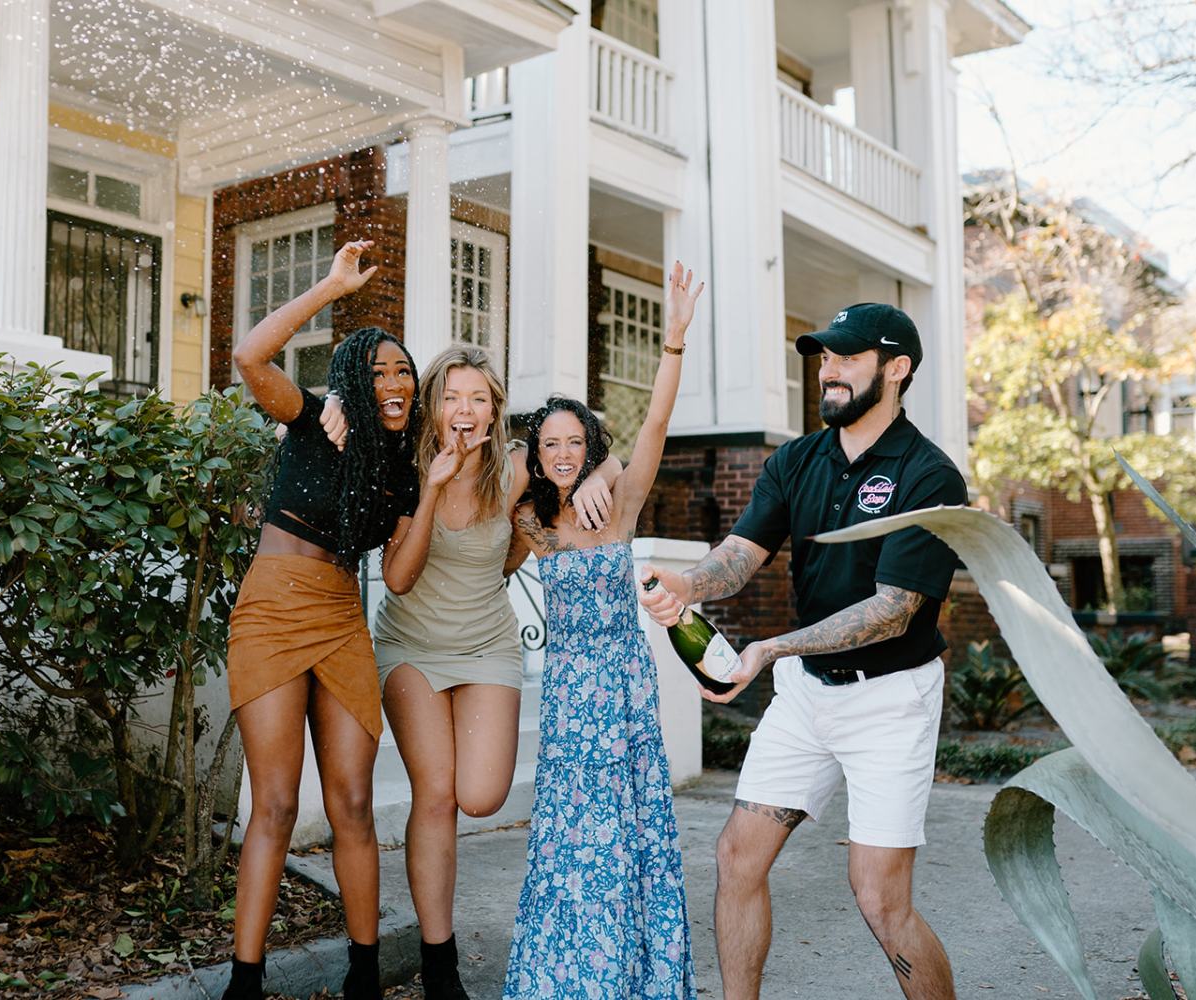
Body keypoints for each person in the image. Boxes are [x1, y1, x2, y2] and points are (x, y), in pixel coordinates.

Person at [638, 303, 968, 1000]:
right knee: (736, 857)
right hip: (806, 695)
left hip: (891, 699)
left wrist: (769, 649)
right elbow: (741, 554)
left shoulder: (929, 477)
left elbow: (892, 610)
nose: (829, 369)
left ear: (896, 368)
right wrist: (689, 582)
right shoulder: (795, 460)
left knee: (880, 898)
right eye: (825, 357)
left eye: (847, 357)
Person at [223, 240, 477, 1000]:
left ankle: (363, 971)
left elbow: (397, 579)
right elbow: (247, 355)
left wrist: (432, 491)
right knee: (274, 802)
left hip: (340, 616)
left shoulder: (402, 471)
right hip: (271, 607)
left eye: (404, 371)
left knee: (355, 803)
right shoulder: (311, 420)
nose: (394, 383)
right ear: (350, 383)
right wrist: (330, 287)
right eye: (377, 371)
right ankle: (245, 978)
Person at [343, 344, 617, 998]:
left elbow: (581, 449)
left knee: (482, 796)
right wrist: (434, 486)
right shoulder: (408, 471)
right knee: (435, 795)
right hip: (411, 645)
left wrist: (604, 472)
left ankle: (440, 952)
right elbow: (401, 582)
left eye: (477, 398)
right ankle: (441, 962)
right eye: (450, 397)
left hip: (489, 643)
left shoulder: (517, 468)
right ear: (433, 407)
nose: (463, 411)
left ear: (494, 410)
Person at [502, 262, 704, 1000]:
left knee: (625, 835)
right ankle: (564, 979)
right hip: (566, 700)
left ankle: (628, 978)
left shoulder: (616, 511)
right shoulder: (530, 524)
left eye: (572, 443)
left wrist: (673, 341)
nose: (560, 453)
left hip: (621, 694)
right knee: (567, 840)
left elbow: (651, 426)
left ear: (587, 446)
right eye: (547, 444)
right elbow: (484, 519)